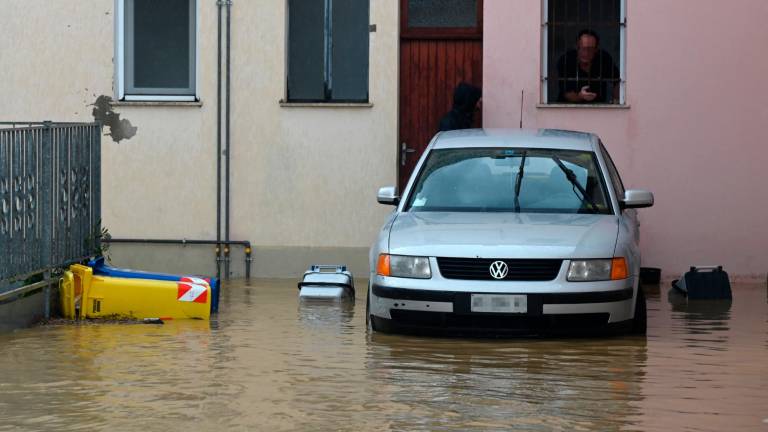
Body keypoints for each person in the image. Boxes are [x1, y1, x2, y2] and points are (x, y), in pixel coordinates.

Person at [557, 29, 619, 104]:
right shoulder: (567, 60)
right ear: (576, 46)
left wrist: (616, 101)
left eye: (590, 49)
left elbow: (617, 81)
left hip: (598, 108)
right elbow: (566, 93)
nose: (586, 53)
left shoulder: (603, 58)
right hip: (569, 109)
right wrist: (580, 96)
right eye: (583, 48)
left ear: (596, 49)